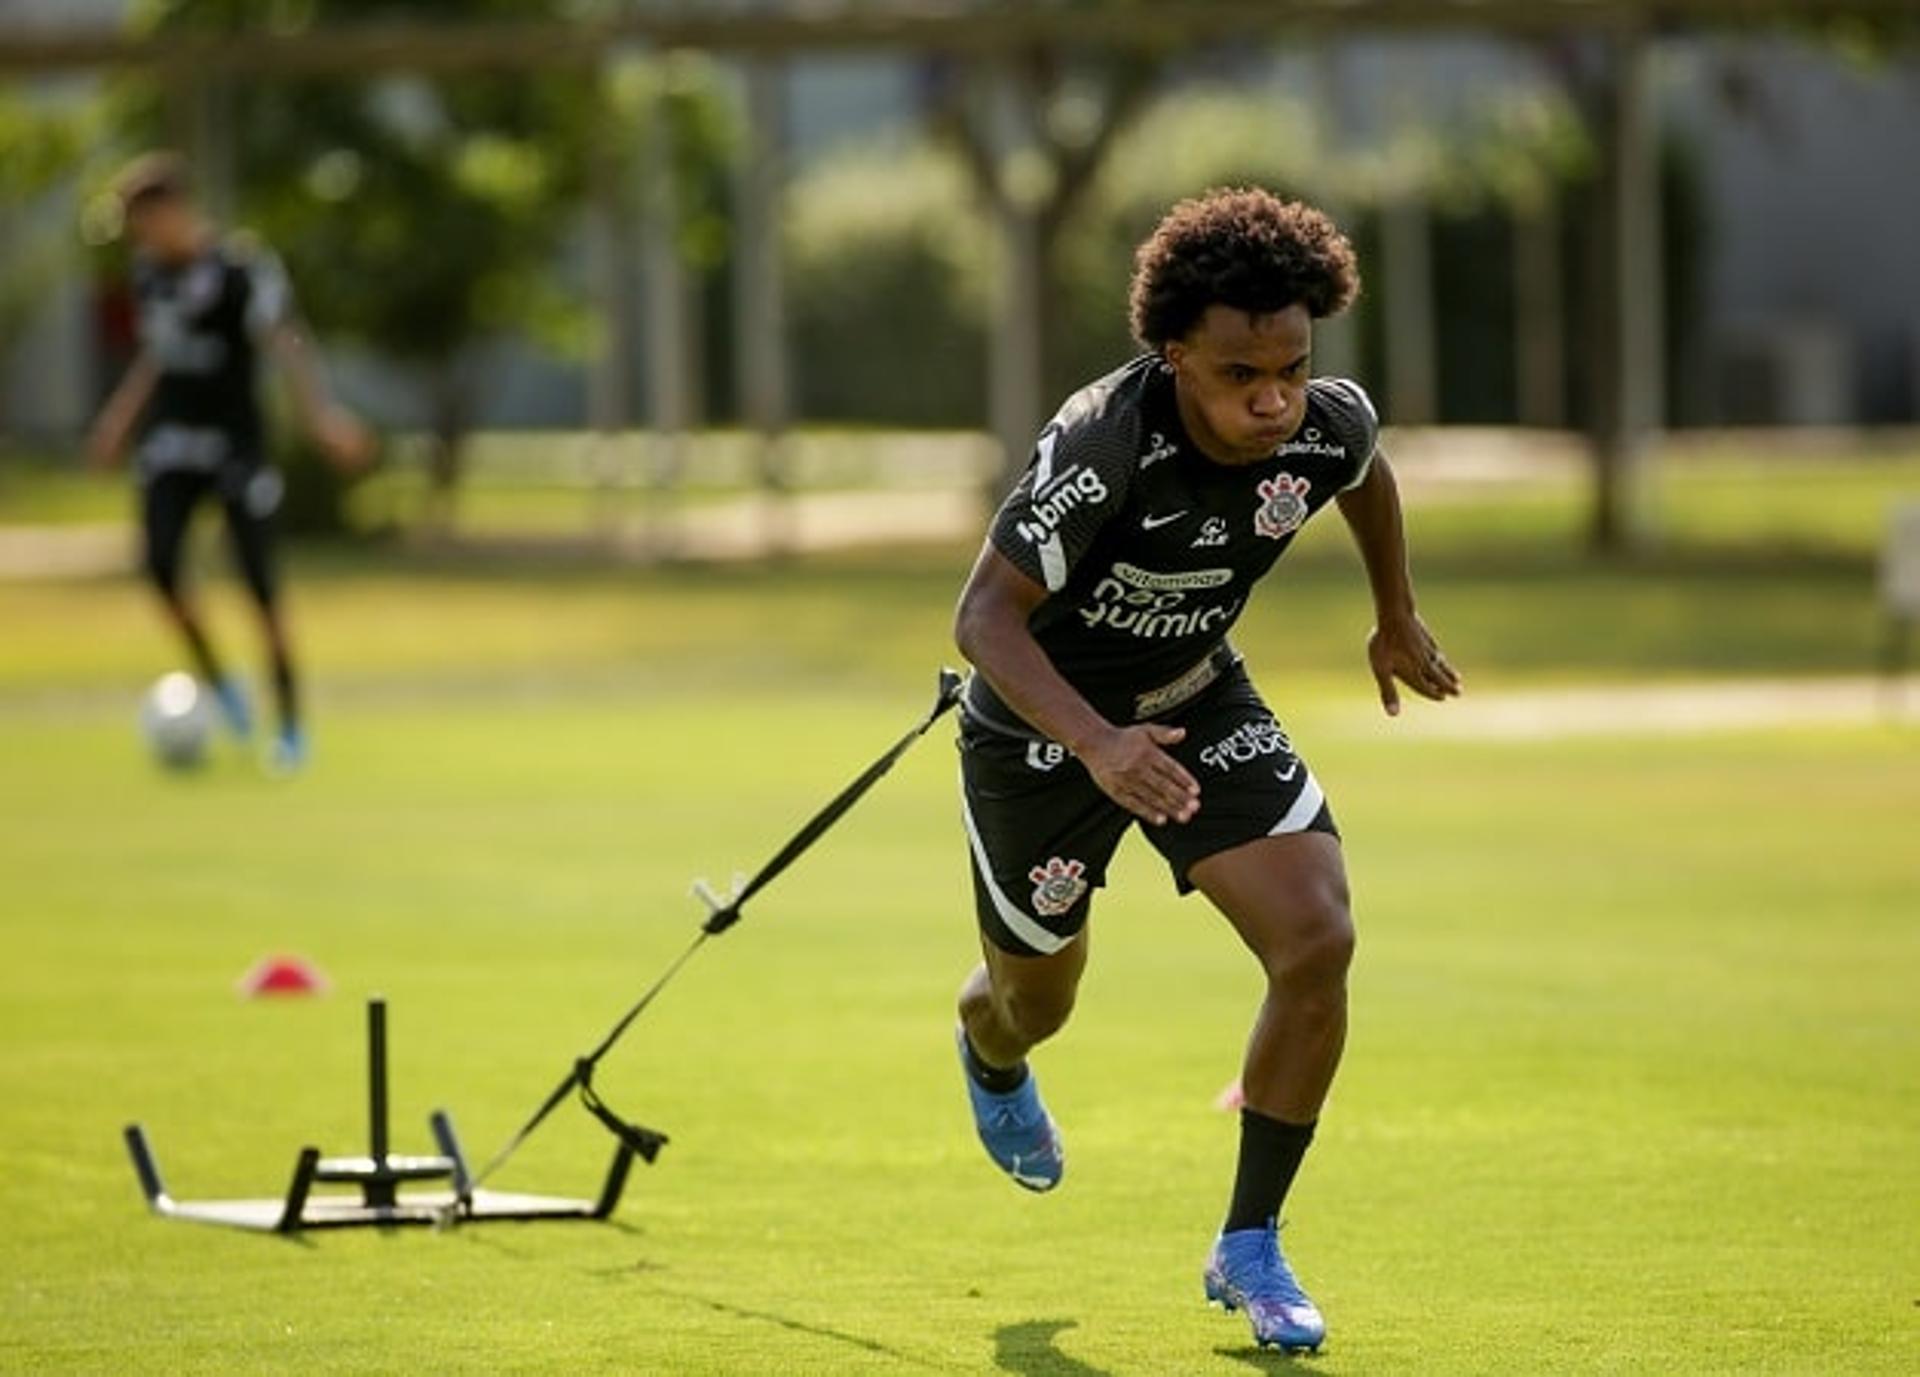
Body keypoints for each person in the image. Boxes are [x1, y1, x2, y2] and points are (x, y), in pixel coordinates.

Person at [950, 187, 1460, 1353]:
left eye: (1290, 365)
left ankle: (1251, 1243)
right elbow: (984, 620)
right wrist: (1098, 745)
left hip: (1195, 697)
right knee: (1038, 1003)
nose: (1274, 398)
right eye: (1240, 374)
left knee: (1317, 939)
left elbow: (1363, 468)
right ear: (1175, 351)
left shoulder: (1319, 424)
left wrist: (1395, 614)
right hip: (1041, 739)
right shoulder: (1102, 446)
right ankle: (986, 1048)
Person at [87, 150, 370, 773]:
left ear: (173, 211)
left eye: (144, 220)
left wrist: (322, 414)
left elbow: (286, 340)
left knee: (260, 587)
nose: (139, 235)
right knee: (161, 567)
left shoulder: (241, 270)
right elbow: (158, 356)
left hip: (235, 446)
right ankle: (221, 684)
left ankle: (291, 723)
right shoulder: (148, 274)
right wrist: (119, 419)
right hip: (171, 446)